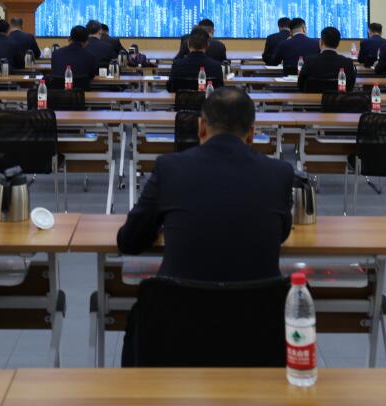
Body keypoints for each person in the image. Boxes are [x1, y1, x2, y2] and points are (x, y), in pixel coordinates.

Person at [117, 84, 293, 279]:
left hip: (179, 297)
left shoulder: (169, 168)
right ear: (251, 134)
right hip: (259, 298)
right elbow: (282, 234)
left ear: (201, 127)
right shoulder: (280, 173)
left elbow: (130, 241)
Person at [298, 26, 359, 94]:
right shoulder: (347, 63)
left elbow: (300, 85)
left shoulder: (309, 61)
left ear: (321, 42)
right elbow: (350, 87)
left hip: (311, 99)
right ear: (338, 43)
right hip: (338, 99)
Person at [166, 28, 224, 92]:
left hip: (183, 98)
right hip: (208, 98)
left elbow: (170, 88)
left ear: (188, 45)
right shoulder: (216, 66)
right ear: (208, 45)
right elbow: (220, 89)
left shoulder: (177, 65)